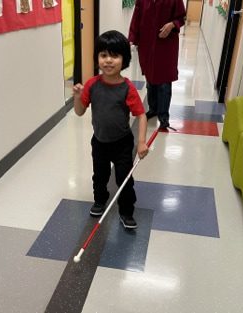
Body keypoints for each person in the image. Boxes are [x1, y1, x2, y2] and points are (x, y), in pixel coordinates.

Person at [73, 30, 148, 229]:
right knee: (100, 175)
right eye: (103, 55)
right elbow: (80, 112)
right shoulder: (92, 85)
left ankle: (126, 211)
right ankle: (100, 200)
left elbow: (141, 115)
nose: (108, 60)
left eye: (114, 55)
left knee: (124, 178)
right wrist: (77, 96)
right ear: (97, 58)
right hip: (99, 141)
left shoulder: (127, 88)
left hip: (122, 142)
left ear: (124, 59)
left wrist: (141, 142)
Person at [128, 0, 186, 130]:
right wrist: (131, 38)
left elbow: (181, 18)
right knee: (150, 79)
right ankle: (153, 109)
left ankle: (164, 116)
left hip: (165, 45)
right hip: (147, 44)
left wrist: (172, 24)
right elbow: (136, 18)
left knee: (164, 83)